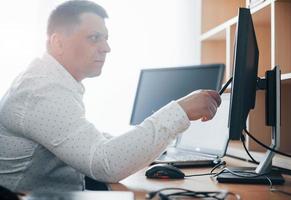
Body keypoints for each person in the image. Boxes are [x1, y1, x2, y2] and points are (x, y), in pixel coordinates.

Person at [0, 0, 221, 192]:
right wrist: (180, 111)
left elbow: (87, 139)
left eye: (105, 38)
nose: (106, 48)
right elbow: (105, 164)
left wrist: (144, 147)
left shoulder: (50, 80)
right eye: (94, 38)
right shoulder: (42, 90)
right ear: (58, 43)